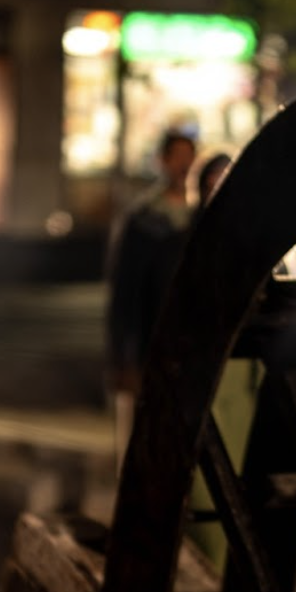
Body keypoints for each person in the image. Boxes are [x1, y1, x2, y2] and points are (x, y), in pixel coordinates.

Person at [105, 129, 197, 422]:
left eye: (189, 158)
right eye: (178, 157)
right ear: (164, 161)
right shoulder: (144, 219)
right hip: (151, 341)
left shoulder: (203, 215)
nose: (184, 165)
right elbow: (125, 292)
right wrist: (123, 356)